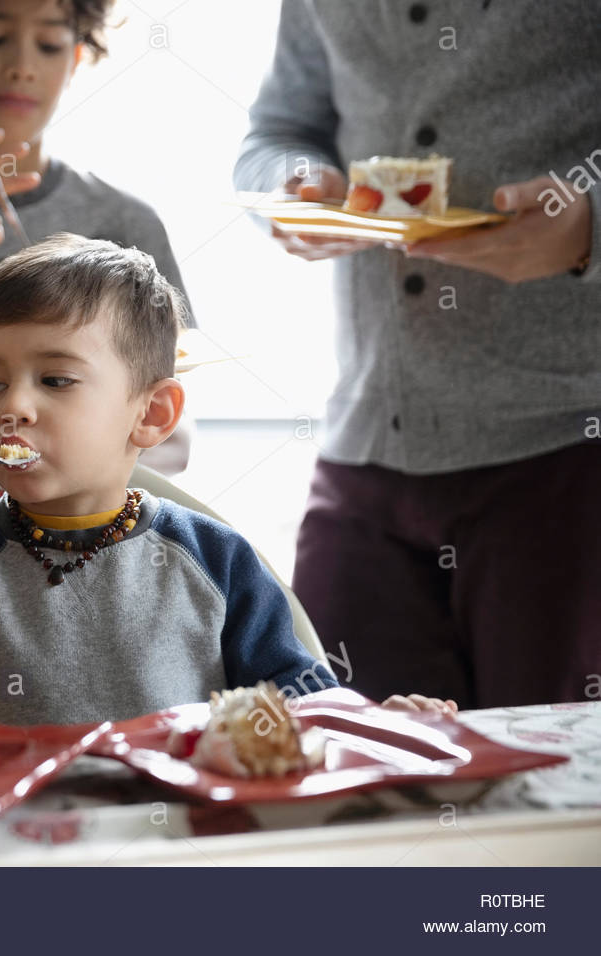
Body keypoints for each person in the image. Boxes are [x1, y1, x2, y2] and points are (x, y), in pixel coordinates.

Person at [0, 235, 456, 722]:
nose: (13, 408)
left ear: (151, 415)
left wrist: (380, 722)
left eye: (55, 380)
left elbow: (300, 704)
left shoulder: (215, 559)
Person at [234, 1, 601, 708]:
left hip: (565, 447)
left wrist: (588, 226)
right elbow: (278, 130)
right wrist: (290, 188)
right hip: (366, 442)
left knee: (556, 789)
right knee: (343, 765)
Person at [0, 0, 195, 475]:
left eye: (49, 44)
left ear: (76, 59)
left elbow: (171, 429)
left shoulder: (123, 223)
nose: (22, 67)